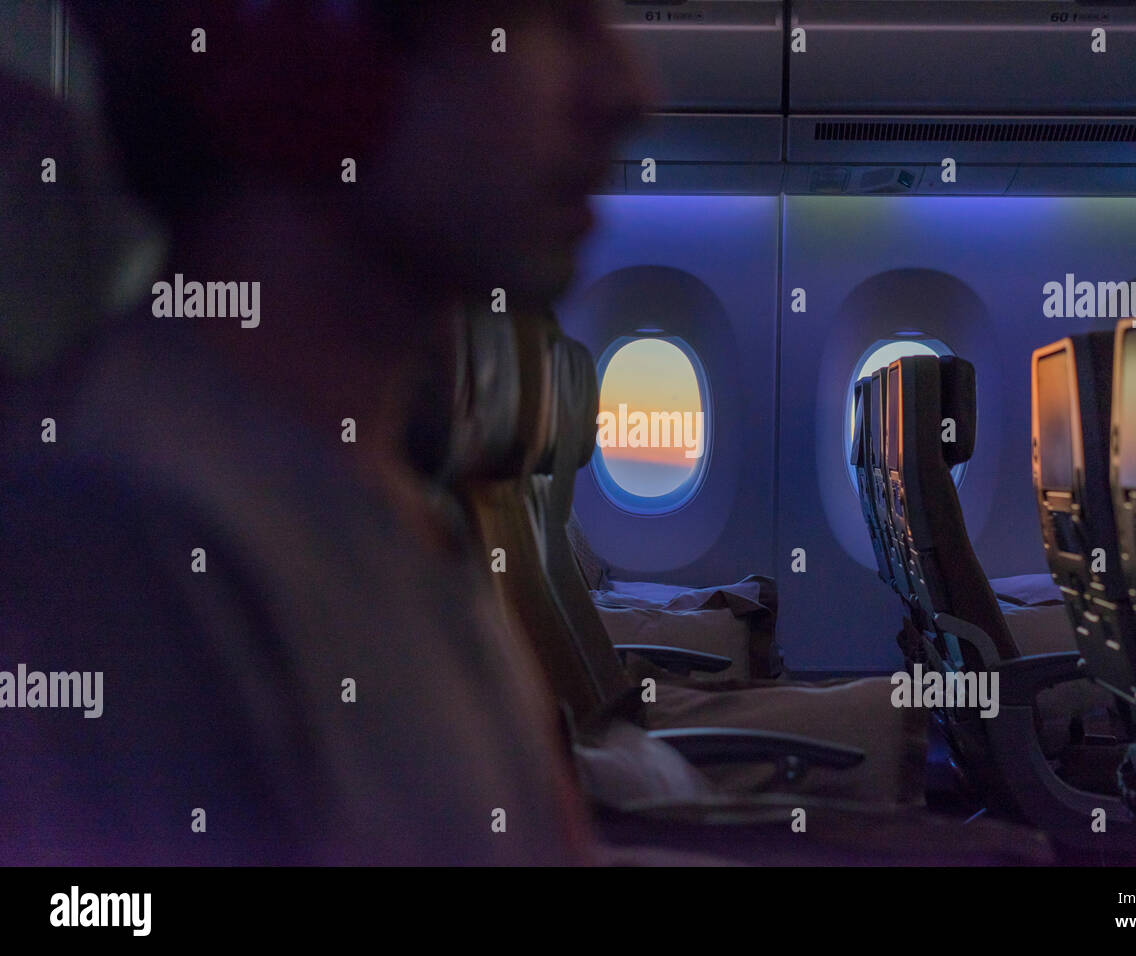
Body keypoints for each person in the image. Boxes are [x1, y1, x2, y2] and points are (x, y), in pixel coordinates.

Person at [0, 0, 650, 865]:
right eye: (553, 19)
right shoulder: (129, 541)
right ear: (303, 44)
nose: (630, 90)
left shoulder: (386, 500)